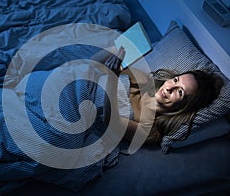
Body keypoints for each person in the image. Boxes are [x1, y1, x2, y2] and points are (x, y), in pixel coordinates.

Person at [93, 46, 224, 144]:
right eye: (175, 80)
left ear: (184, 106)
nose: (169, 88)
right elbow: (93, 66)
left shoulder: (152, 130)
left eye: (180, 92)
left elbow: (110, 122)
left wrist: (112, 78)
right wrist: (119, 47)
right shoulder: (143, 79)